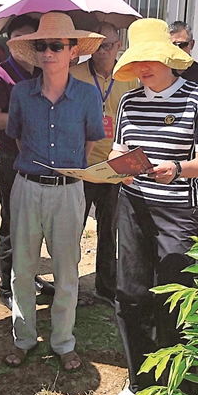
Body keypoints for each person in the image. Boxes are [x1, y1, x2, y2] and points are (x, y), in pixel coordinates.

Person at [110, 18, 198, 395]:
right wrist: (114, 165)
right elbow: (119, 149)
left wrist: (178, 170)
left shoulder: (196, 98)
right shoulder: (129, 101)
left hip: (176, 210)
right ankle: (139, 377)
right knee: (131, 291)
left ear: (169, 58)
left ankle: (180, 384)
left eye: (150, 60)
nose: (143, 69)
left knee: (176, 294)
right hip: (133, 204)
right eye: (138, 61)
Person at [4, 12, 105, 371]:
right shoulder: (21, 94)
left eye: (56, 46)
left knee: (67, 270)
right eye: (42, 46)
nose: (48, 52)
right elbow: (17, 139)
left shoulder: (88, 96)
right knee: (22, 269)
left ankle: (63, 342)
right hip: (27, 188)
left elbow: (92, 140)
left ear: (73, 50)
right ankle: (23, 338)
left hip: (68, 191)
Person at [0, 15, 57, 311]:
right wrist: (27, 118)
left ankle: (30, 276)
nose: (29, 46)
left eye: (33, 41)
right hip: (12, 161)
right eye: (21, 40)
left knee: (36, 224)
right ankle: (6, 287)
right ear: (11, 42)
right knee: (12, 225)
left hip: (42, 158)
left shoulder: (43, 72)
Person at [70, 22, 138, 306]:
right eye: (97, 46)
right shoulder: (74, 74)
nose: (102, 52)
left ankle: (106, 287)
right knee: (72, 228)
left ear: (119, 45)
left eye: (108, 46)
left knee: (109, 230)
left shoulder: (129, 77)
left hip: (114, 167)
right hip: (81, 165)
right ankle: (68, 284)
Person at [168, 21, 198, 88]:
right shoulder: (160, 69)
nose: (177, 49)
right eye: (173, 45)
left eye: (182, 44)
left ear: (192, 45)